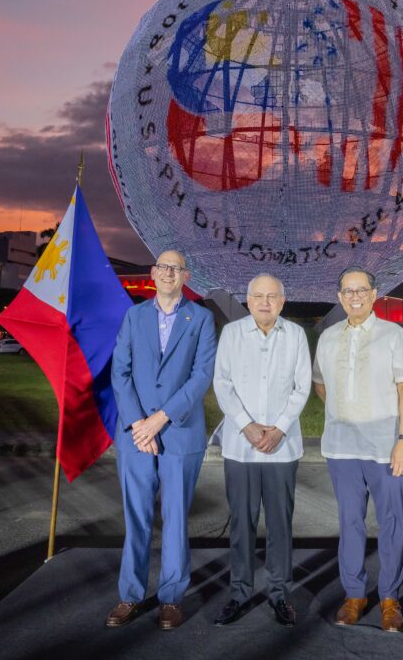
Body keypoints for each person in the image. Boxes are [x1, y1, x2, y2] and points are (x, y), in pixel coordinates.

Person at [106, 249, 216, 631]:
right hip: (137, 437)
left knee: (174, 519)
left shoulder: (201, 318)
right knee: (136, 518)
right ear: (153, 273)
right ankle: (130, 595)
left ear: (186, 276)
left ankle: (171, 598)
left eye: (176, 268)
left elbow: (201, 376)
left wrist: (159, 420)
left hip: (179, 434)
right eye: (163, 267)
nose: (168, 273)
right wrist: (139, 423)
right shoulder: (134, 316)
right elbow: (120, 372)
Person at [312, 266, 403, 632]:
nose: (354, 296)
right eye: (347, 290)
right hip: (341, 448)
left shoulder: (393, 335)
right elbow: (320, 385)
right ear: (339, 297)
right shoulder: (326, 338)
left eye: (361, 289)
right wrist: (345, 412)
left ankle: (390, 598)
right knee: (350, 523)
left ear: (375, 295)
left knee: (391, 524)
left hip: (386, 447)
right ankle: (354, 594)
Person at [211, 273, 312, 628]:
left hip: (282, 447)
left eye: (272, 296)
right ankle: (239, 592)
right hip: (241, 446)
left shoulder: (296, 335)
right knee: (242, 523)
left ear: (282, 302)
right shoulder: (232, 334)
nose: (265, 302)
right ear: (248, 300)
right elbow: (222, 383)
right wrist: (247, 426)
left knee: (281, 524)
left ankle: (280, 593)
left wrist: (280, 427)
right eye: (258, 296)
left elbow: (302, 387)